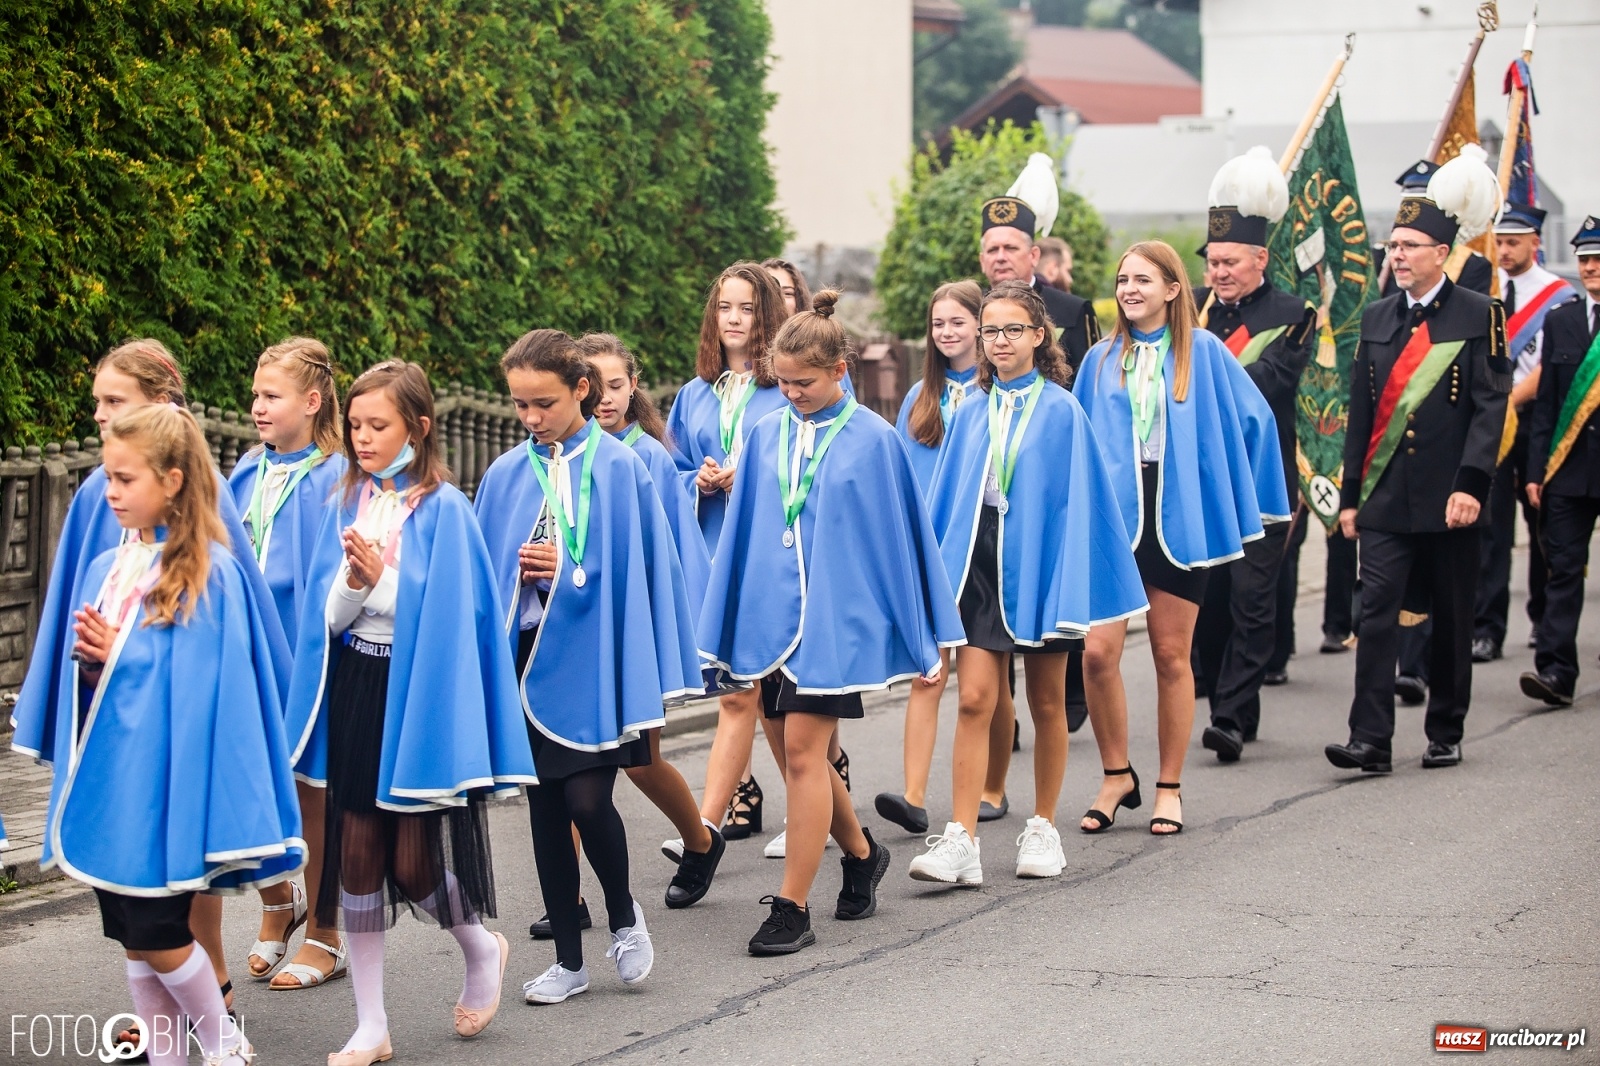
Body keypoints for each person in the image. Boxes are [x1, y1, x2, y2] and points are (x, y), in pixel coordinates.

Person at [10, 340, 291, 1045]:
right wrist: (85, 668)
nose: (107, 492)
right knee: (130, 933)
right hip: (111, 765)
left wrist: (121, 653)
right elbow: (95, 656)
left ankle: (223, 1038)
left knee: (160, 925)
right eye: (107, 477)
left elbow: (202, 678)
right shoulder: (112, 557)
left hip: (163, 776)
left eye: (121, 479)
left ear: (170, 480)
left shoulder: (208, 568)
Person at [282, 360, 534, 1063]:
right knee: (356, 855)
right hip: (360, 682)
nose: (361, 437)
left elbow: (448, 616)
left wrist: (378, 580)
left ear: (418, 429)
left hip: (418, 694)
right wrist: (354, 585)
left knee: (416, 864)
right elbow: (328, 617)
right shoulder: (347, 498)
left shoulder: (447, 508)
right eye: (355, 424)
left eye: (378, 425)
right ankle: (371, 1024)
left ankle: (481, 949)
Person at [699, 289, 962, 953]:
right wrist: (728, 617)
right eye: (782, 383)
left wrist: (926, 632)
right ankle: (861, 852)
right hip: (775, 623)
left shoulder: (875, 441)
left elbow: (900, 543)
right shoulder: (765, 433)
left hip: (836, 629)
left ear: (840, 372)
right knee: (800, 755)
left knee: (800, 754)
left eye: (804, 383)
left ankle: (791, 908)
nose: (791, 394)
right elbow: (747, 532)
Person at [472, 330, 701, 1001]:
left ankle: (625, 916)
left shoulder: (623, 466)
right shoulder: (508, 473)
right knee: (545, 809)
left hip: (599, 659)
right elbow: (488, 576)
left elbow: (639, 569)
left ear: (580, 389)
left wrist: (573, 569)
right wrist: (521, 580)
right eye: (518, 406)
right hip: (530, 659)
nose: (531, 418)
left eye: (542, 402)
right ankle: (569, 962)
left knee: (588, 798)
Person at [910, 280, 1145, 885]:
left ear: (1039, 337)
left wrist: (1077, 581)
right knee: (973, 699)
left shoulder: (1064, 410)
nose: (1000, 341)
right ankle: (961, 836)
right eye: (991, 331)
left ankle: (1042, 826)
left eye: (1013, 330)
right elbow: (950, 501)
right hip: (981, 564)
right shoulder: (968, 411)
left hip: (1041, 564)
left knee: (1046, 702)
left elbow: (1080, 506)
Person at [1075, 241, 1290, 834]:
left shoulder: (1207, 353)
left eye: (1142, 279)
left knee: (1172, 655)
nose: (1129, 290)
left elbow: (1257, 421)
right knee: (1096, 655)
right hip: (1113, 523)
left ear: (1174, 288)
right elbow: (1075, 441)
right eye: (1122, 280)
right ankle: (1116, 773)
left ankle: (1168, 784)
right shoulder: (1098, 360)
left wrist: (1249, 500)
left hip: (1177, 521)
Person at [1325, 146, 1509, 774]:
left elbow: (1490, 408)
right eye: (1393, 245)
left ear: (1441, 252)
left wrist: (1471, 485)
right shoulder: (1376, 319)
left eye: (1409, 246)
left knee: (1453, 615)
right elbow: (1361, 415)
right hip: (1382, 498)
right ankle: (1370, 739)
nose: (1396, 255)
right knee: (1376, 614)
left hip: (1449, 498)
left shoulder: (1480, 315)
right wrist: (1351, 498)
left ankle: (1445, 727)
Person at [228, 338, 351, 991]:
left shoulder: (333, 477)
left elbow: (329, 582)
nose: (257, 407)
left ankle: (326, 932)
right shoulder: (247, 470)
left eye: (270, 396)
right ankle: (279, 901)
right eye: (254, 395)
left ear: (310, 401)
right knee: (249, 790)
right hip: (246, 659)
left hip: (304, 661)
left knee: (312, 797)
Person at [1191, 147, 1318, 762]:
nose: (1219, 272)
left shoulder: (1294, 315)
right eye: (1212, 262)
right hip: (1203, 482)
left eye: (1230, 262)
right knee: (1211, 601)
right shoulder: (1192, 312)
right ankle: (1219, 692)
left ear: (1260, 259)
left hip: (1264, 481)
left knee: (1252, 597)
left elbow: (1269, 381)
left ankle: (1234, 716)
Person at [665, 263, 791, 842]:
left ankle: (810, 804)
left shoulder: (784, 388)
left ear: (767, 316)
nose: (734, 319)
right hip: (716, 550)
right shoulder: (694, 395)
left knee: (782, 701)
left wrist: (753, 477)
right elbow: (673, 469)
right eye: (724, 308)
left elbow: (802, 462)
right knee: (740, 692)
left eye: (746, 309)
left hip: (770, 555)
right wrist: (700, 479)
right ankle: (711, 825)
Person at [876, 281, 1000, 836]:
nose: (947, 333)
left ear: (980, 325)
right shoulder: (919, 397)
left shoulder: (997, 392)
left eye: (958, 322)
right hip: (928, 554)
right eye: (938, 324)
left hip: (979, 550)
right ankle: (913, 796)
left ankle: (994, 785)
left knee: (989, 683)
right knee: (929, 672)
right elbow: (900, 476)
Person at [1472, 204, 1577, 662]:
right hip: (1492, 423)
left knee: (1543, 525)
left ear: (1536, 242)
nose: (1505, 250)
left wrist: (1509, 400)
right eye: (1501, 241)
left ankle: (1542, 617)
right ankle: (1487, 628)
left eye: (1514, 241)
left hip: (1534, 417)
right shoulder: (1484, 291)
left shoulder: (1557, 296)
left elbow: (1549, 368)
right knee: (1492, 528)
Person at [1520, 216, 1600, 706]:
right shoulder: (1563, 319)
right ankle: (1555, 671)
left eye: (1598, 260)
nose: (1591, 268)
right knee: (1563, 570)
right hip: (1568, 471)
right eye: (1586, 260)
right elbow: (1546, 403)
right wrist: (1535, 471)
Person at [979, 153, 1101, 369]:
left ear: (1034, 255)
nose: (1000, 257)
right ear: (982, 259)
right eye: (992, 250)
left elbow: (1090, 384)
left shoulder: (1072, 311)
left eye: (1010, 248)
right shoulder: (969, 308)